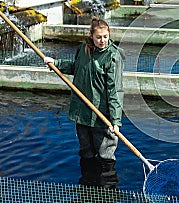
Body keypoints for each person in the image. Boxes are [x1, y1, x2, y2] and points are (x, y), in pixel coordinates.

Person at [44, 16, 125, 189]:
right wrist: (55, 63)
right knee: (86, 153)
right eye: (99, 37)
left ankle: (107, 193)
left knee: (105, 156)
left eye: (105, 36)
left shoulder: (112, 57)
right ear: (91, 36)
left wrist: (116, 121)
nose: (102, 41)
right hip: (82, 112)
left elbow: (114, 91)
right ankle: (87, 189)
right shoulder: (83, 49)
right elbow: (76, 67)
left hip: (101, 115)